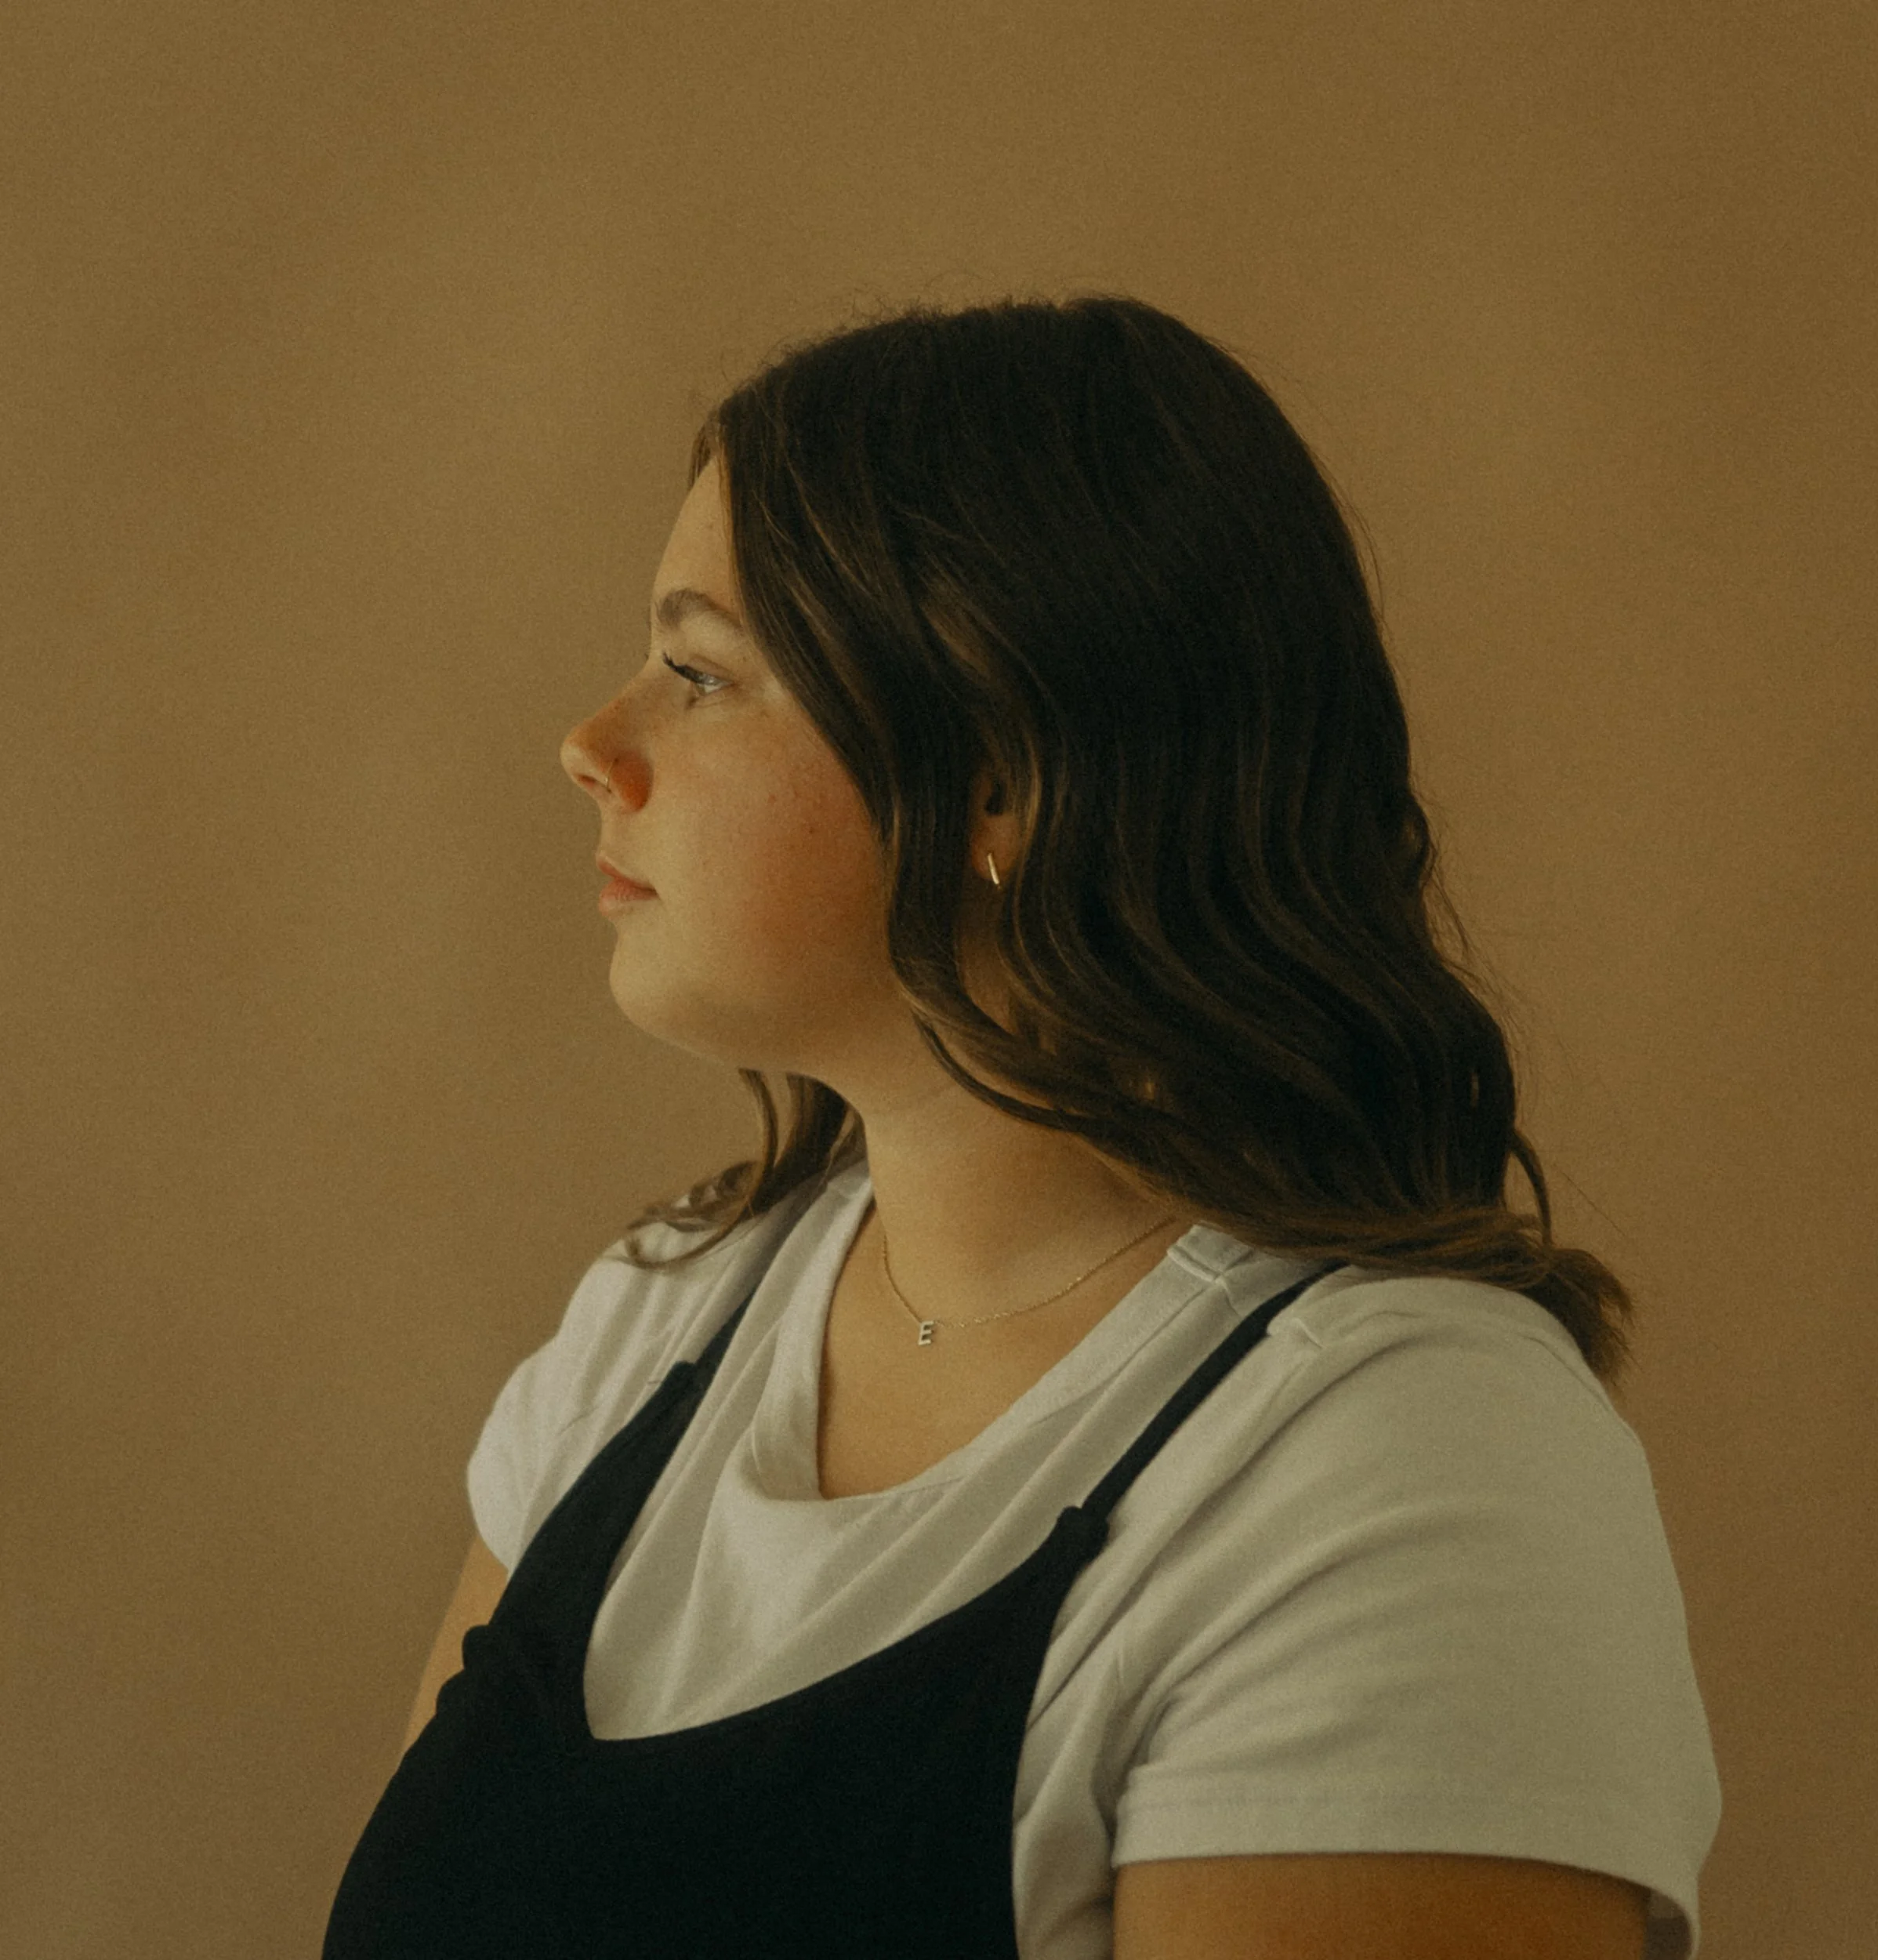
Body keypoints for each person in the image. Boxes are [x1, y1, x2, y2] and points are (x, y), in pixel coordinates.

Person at [323, 294, 1720, 1958]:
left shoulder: (1399, 1474)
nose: (589, 746)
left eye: (698, 673)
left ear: (1003, 776)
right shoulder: (652, 1326)